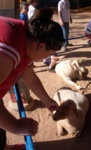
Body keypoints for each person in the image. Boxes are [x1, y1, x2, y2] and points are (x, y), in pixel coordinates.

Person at [0, 7, 64, 149]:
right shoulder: (8, 51)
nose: (46, 58)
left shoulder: (26, 39)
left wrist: (47, 101)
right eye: (49, 54)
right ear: (41, 46)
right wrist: (16, 126)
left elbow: (29, 76)